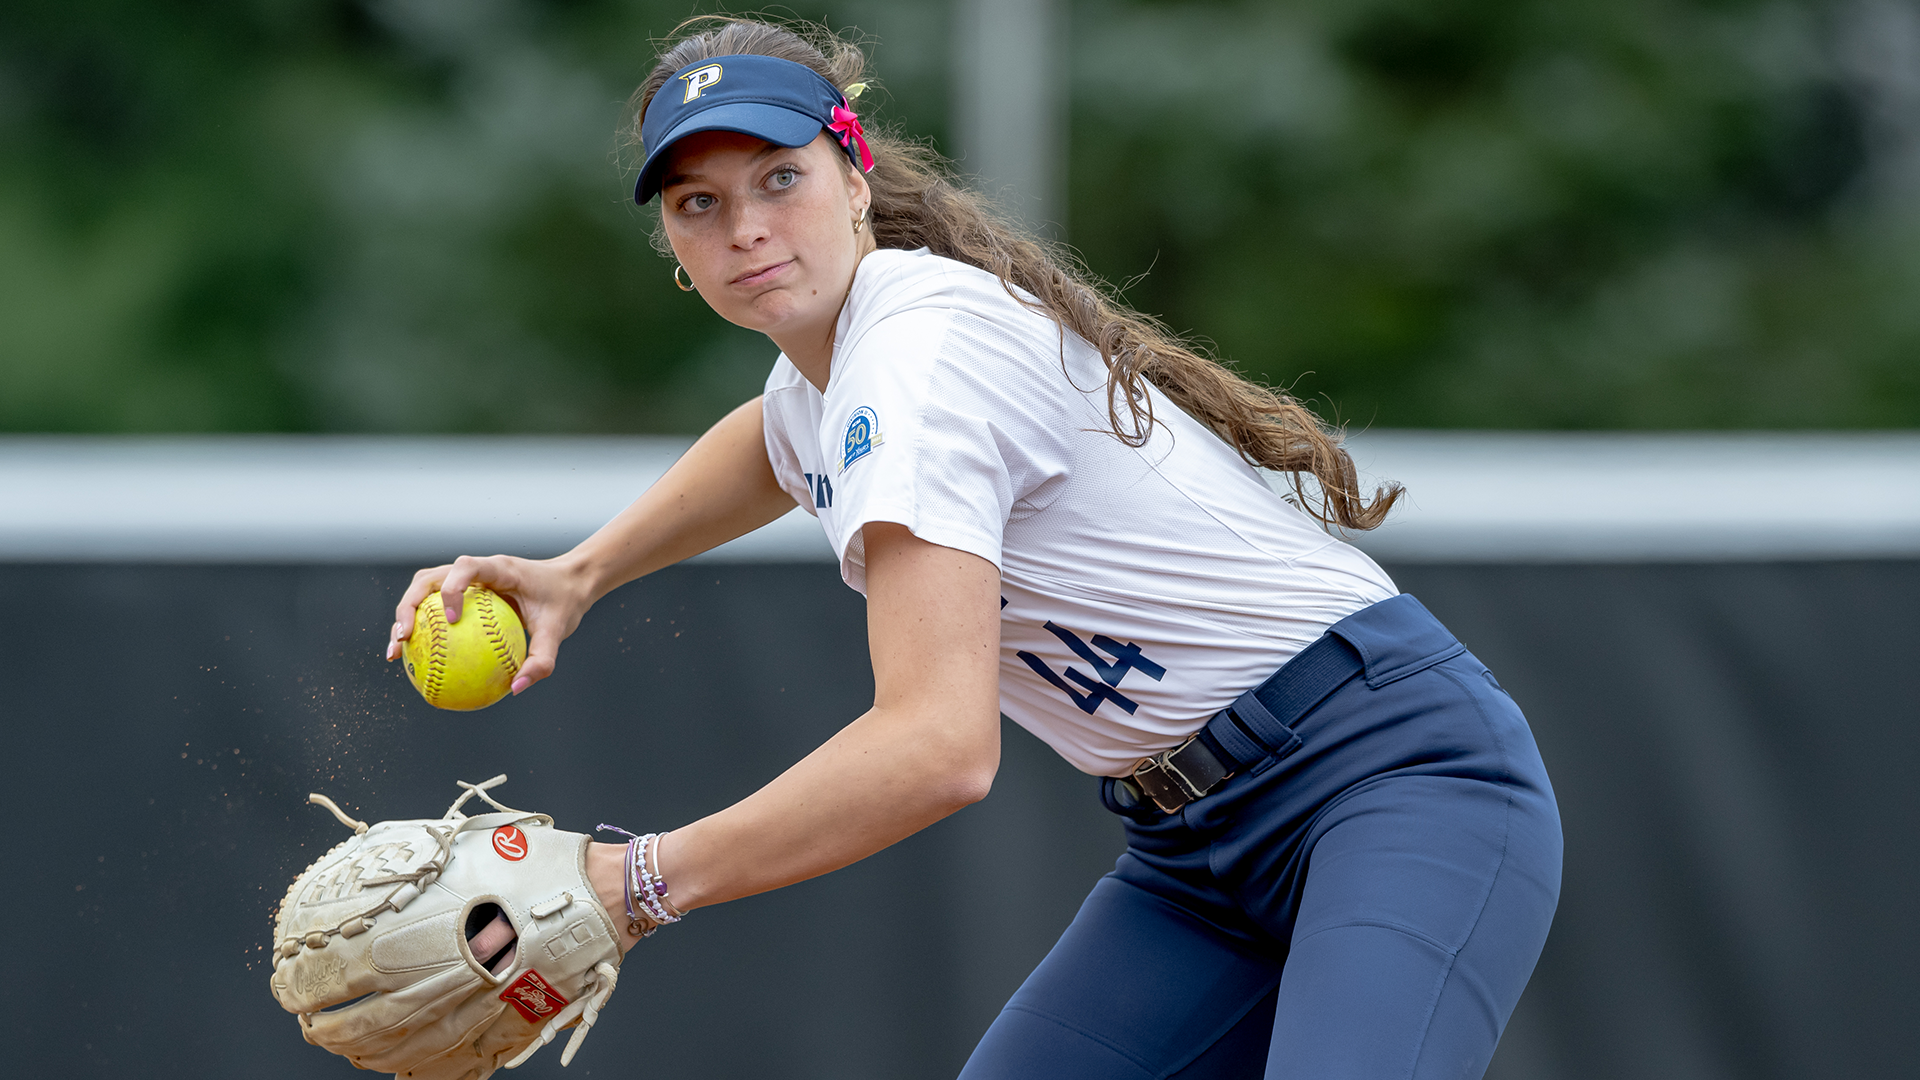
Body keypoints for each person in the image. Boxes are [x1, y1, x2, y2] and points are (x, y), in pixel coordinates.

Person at [386, 17, 1561, 1079]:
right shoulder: (836, 372)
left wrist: (638, 882)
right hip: (1194, 856)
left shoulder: (916, 358)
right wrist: (579, 572)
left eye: (780, 178)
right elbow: (771, 439)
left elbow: (939, 747)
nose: (746, 227)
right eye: (698, 204)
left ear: (857, 181)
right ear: (673, 248)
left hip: (1389, 779)